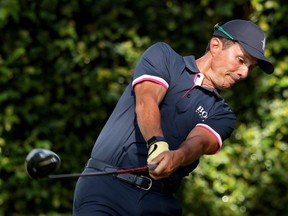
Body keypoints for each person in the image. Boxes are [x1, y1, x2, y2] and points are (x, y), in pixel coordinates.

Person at [73, 19, 274, 215]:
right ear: (215, 45)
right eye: (241, 60)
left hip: (159, 203)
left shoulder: (223, 114)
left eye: (251, 67)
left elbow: (199, 142)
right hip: (106, 189)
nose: (244, 73)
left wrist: (176, 157)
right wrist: (157, 143)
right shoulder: (164, 57)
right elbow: (147, 100)